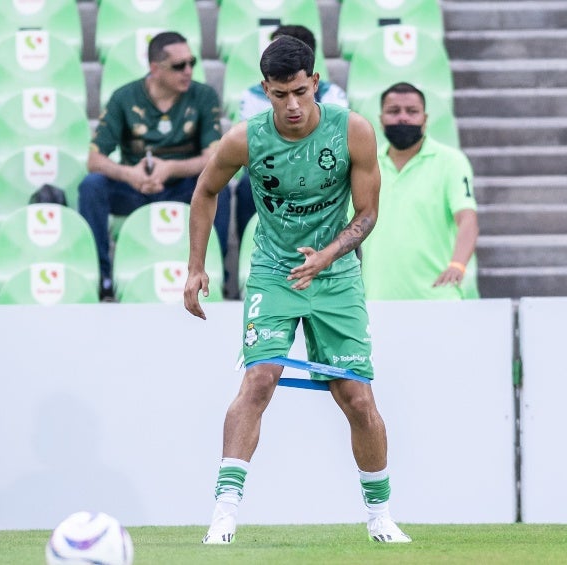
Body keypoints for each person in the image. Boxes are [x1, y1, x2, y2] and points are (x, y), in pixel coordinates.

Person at [183, 35, 412, 545]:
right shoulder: (245, 139)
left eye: (300, 93)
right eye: (280, 95)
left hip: (335, 275)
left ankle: (380, 516)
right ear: (265, 89)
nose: (291, 105)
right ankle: (224, 514)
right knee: (259, 381)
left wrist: (329, 254)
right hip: (274, 272)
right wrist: (196, 266)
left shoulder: (352, 130)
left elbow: (368, 213)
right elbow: (205, 192)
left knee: (355, 395)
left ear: (315, 83)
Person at [79, 31, 230, 300]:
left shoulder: (203, 95)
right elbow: (94, 159)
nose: (188, 71)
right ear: (154, 68)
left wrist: (171, 168)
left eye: (191, 62)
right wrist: (130, 174)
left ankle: (213, 272)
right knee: (92, 186)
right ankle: (102, 277)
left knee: (221, 186)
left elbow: (214, 157)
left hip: (184, 188)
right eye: (178, 65)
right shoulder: (124, 98)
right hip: (136, 188)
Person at [359, 82, 479, 300]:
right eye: (394, 111)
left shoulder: (451, 162)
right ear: (380, 119)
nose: (402, 118)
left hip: (439, 299)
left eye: (412, 111)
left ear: (425, 119)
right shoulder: (367, 164)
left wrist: (458, 265)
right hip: (376, 299)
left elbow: (468, 219)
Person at [235, 24, 349, 246]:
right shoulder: (251, 95)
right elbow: (252, 150)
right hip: (271, 170)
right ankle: (248, 248)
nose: (292, 105)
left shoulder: (334, 95)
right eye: (280, 94)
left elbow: (338, 144)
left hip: (323, 170)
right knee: (246, 184)